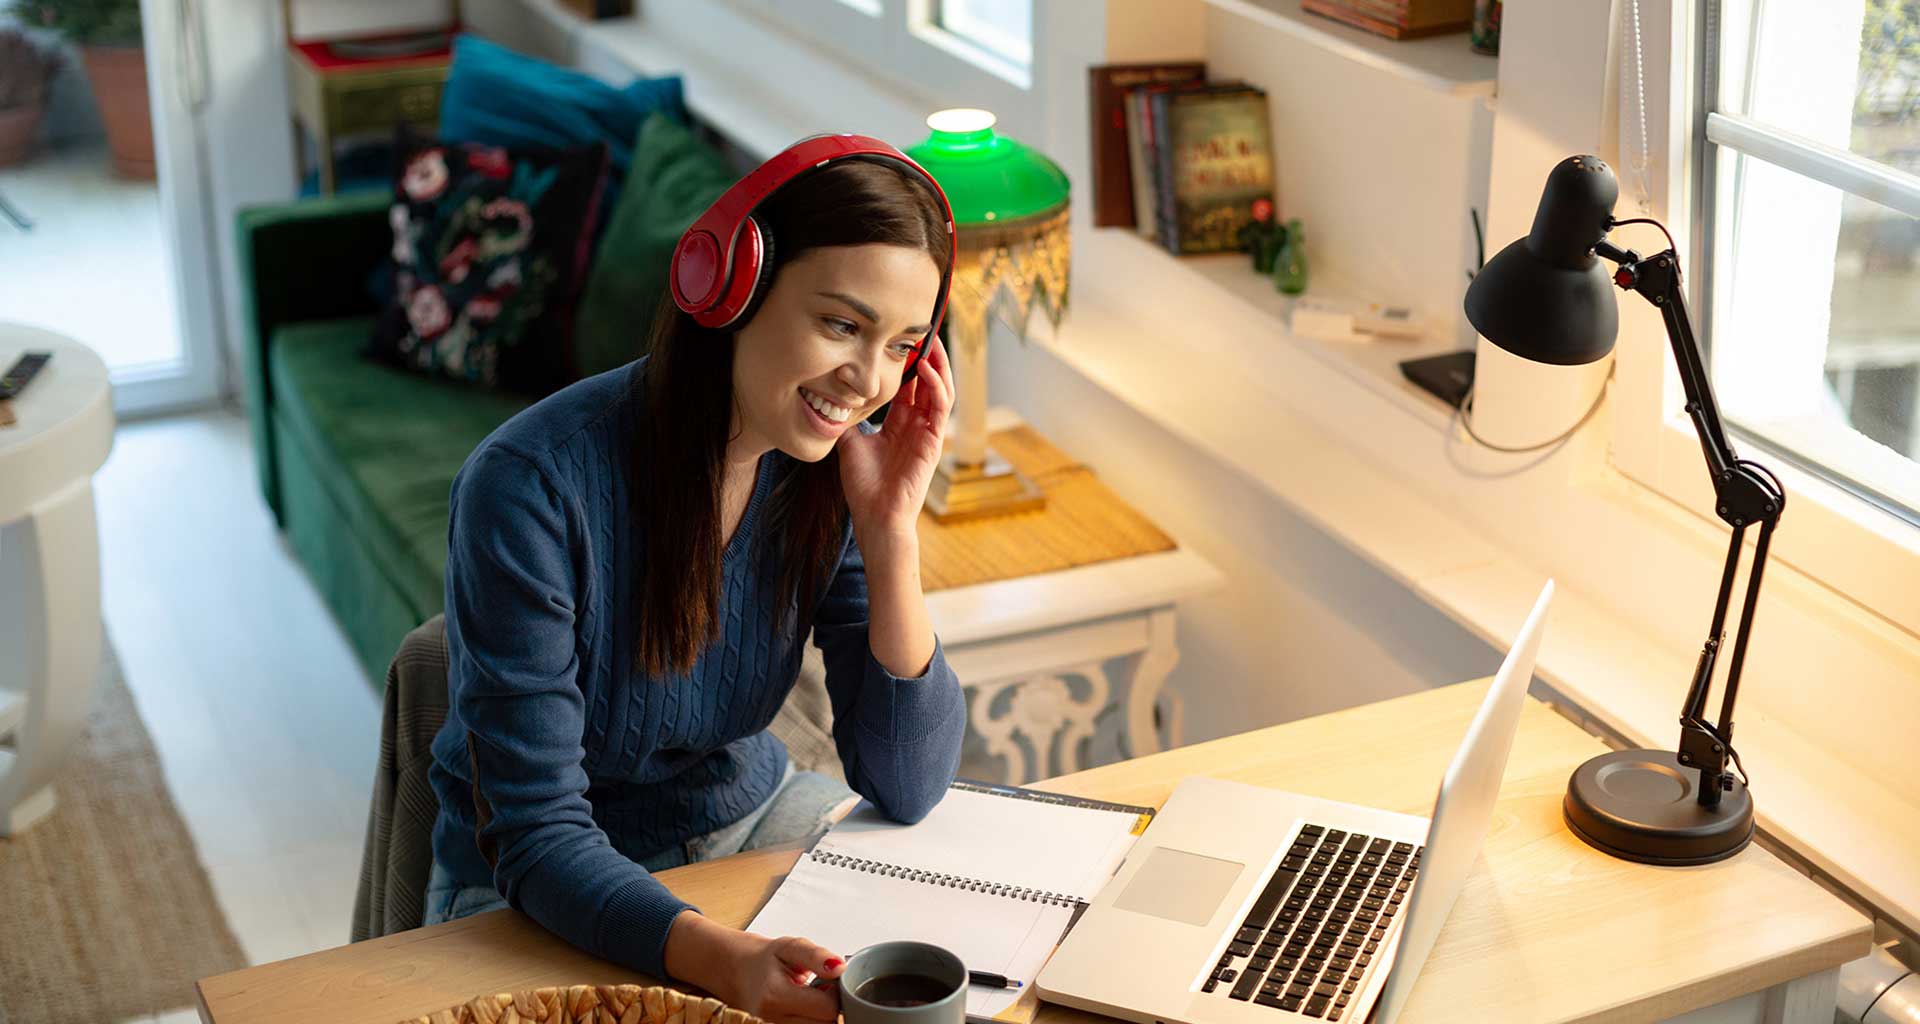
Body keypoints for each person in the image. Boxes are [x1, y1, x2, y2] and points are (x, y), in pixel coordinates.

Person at [422, 133, 967, 1024]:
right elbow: (534, 835)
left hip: (750, 825)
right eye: (841, 324)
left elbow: (908, 784)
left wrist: (891, 532)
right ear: (731, 288)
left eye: (904, 345)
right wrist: (732, 965)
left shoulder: (829, 468)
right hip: (541, 889)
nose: (868, 381)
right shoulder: (528, 484)